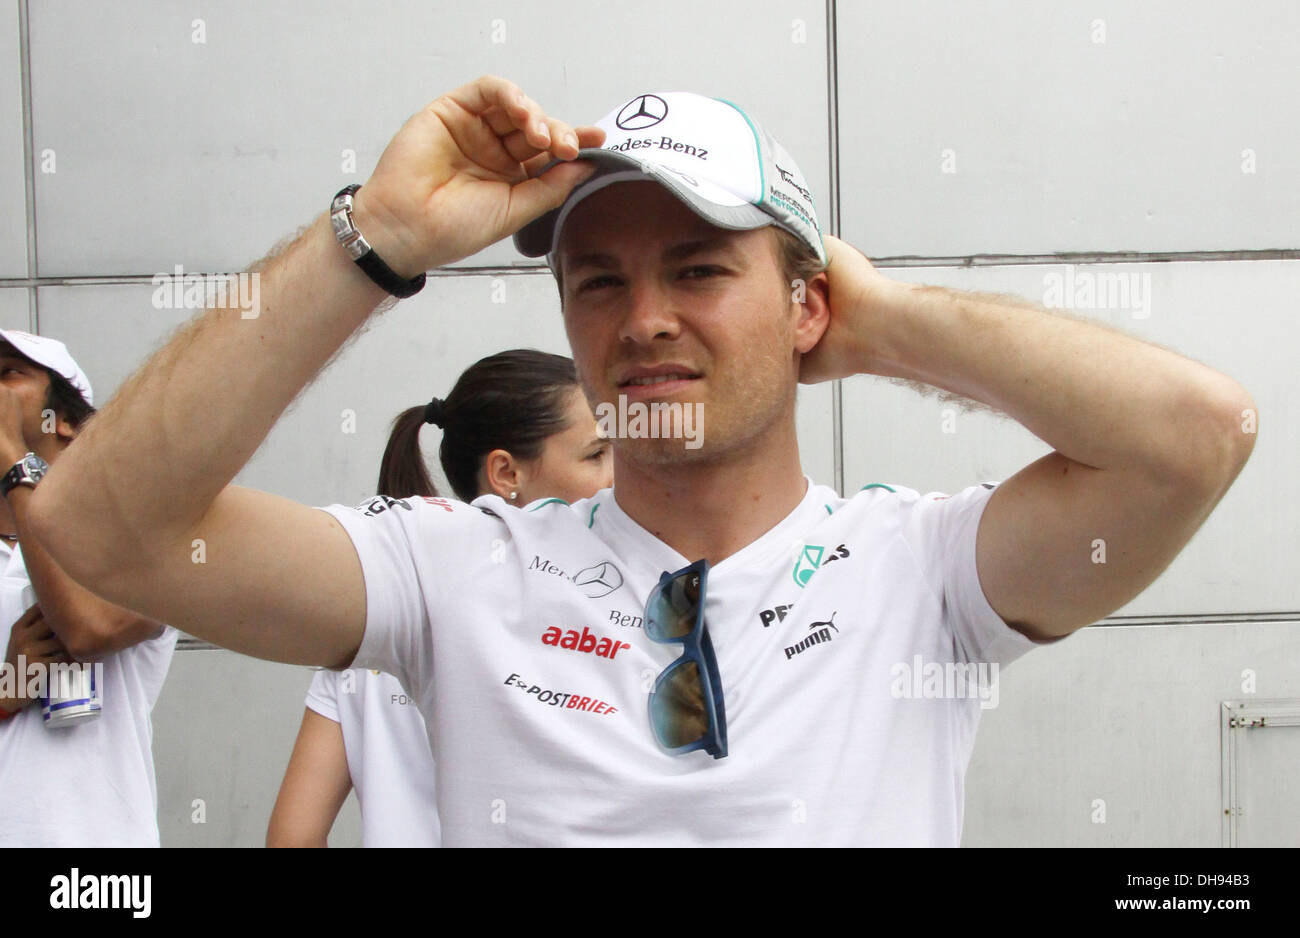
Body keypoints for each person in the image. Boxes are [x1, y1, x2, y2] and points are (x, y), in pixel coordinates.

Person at [31, 77, 1257, 845]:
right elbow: (106, 527)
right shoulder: (457, 568)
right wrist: (378, 240)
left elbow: (1192, 438)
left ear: (804, 307)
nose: (644, 317)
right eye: (599, 279)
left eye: (701, 269)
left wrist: (875, 319)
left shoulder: (919, 568)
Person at [266, 349, 611, 847]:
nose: (621, 476)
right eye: (597, 454)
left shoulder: (377, 617)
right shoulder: (588, 618)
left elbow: (292, 837)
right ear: (506, 474)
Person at [0, 330, 176, 847]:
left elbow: (90, 627)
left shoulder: (134, 538)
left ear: (70, 423)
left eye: (9, 374)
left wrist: (14, 458)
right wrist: (4, 696)